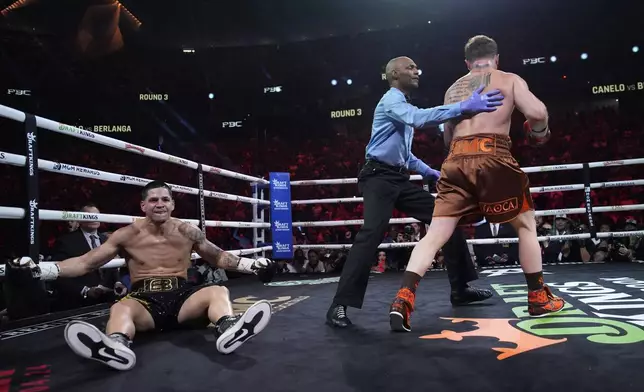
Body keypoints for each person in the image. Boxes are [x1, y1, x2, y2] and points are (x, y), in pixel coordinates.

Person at [388, 35, 564, 332]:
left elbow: (446, 138)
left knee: (435, 235)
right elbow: (537, 113)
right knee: (525, 225)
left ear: (467, 63)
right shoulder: (507, 78)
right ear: (496, 58)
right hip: (492, 154)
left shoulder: (452, 89)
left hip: (455, 160)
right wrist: (539, 132)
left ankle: (403, 299)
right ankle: (537, 297)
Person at [11, 180, 274, 370]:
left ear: (172, 204)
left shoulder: (188, 231)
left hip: (183, 299)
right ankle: (116, 346)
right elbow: (85, 263)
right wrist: (40, 270)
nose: (159, 204)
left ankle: (228, 329)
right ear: (143, 205)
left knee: (218, 290)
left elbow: (217, 257)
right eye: (153, 200)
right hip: (144, 301)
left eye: (164, 199)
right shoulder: (127, 235)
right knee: (121, 308)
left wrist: (253, 265)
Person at [326, 56, 504, 328]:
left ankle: (461, 290)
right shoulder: (391, 101)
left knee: (445, 219)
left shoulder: (401, 104)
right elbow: (417, 118)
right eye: (409, 68)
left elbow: (404, 155)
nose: (416, 71)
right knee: (372, 233)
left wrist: (429, 171)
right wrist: (461, 107)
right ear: (394, 74)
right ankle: (339, 305)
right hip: (377, 178)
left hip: (398, 178)